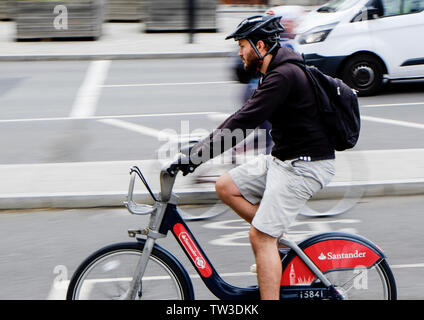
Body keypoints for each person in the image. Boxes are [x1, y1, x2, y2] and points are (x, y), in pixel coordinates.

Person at [168, 14, 336, 300]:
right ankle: (275, 244)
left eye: (242, 46)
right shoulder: (277, 70)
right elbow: (241, 119)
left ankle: (269, 244)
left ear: (260, 45)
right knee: (226, 186)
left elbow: (242, 123)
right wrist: (199, 150)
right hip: (284, 160)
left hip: (305, 167)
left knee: (259, 236)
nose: (239, 52)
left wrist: (195, 158)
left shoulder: (283, 76)